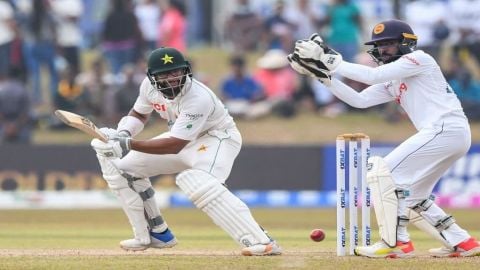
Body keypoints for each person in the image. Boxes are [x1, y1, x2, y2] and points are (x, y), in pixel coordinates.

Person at [288, 20, 480, 258]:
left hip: (445, 129)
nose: (382, 50)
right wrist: (323, 77)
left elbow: (371, 75)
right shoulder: (393, 78)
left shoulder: (419, 59)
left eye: (388, 44)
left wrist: (328, 57)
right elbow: (360, 101)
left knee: (384, 173)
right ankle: (463, 242)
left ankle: (396, 243)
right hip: (448, 134)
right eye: (379, 45)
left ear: (406, 43)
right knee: (415, 197)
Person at [90, 47, 281, 256]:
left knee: (199, 182)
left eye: (176, 72)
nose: (172, 78)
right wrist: (123, 132)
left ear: (186, 71)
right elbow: (139, 114)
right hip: (181, 139)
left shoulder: (198, 97)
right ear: (152, 77)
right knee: (122, 170)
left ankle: (262, 241)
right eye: (164, 74)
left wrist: (127, 143)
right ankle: (156, 233)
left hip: (216, 139)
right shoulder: (148, 87)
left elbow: (175, 145)